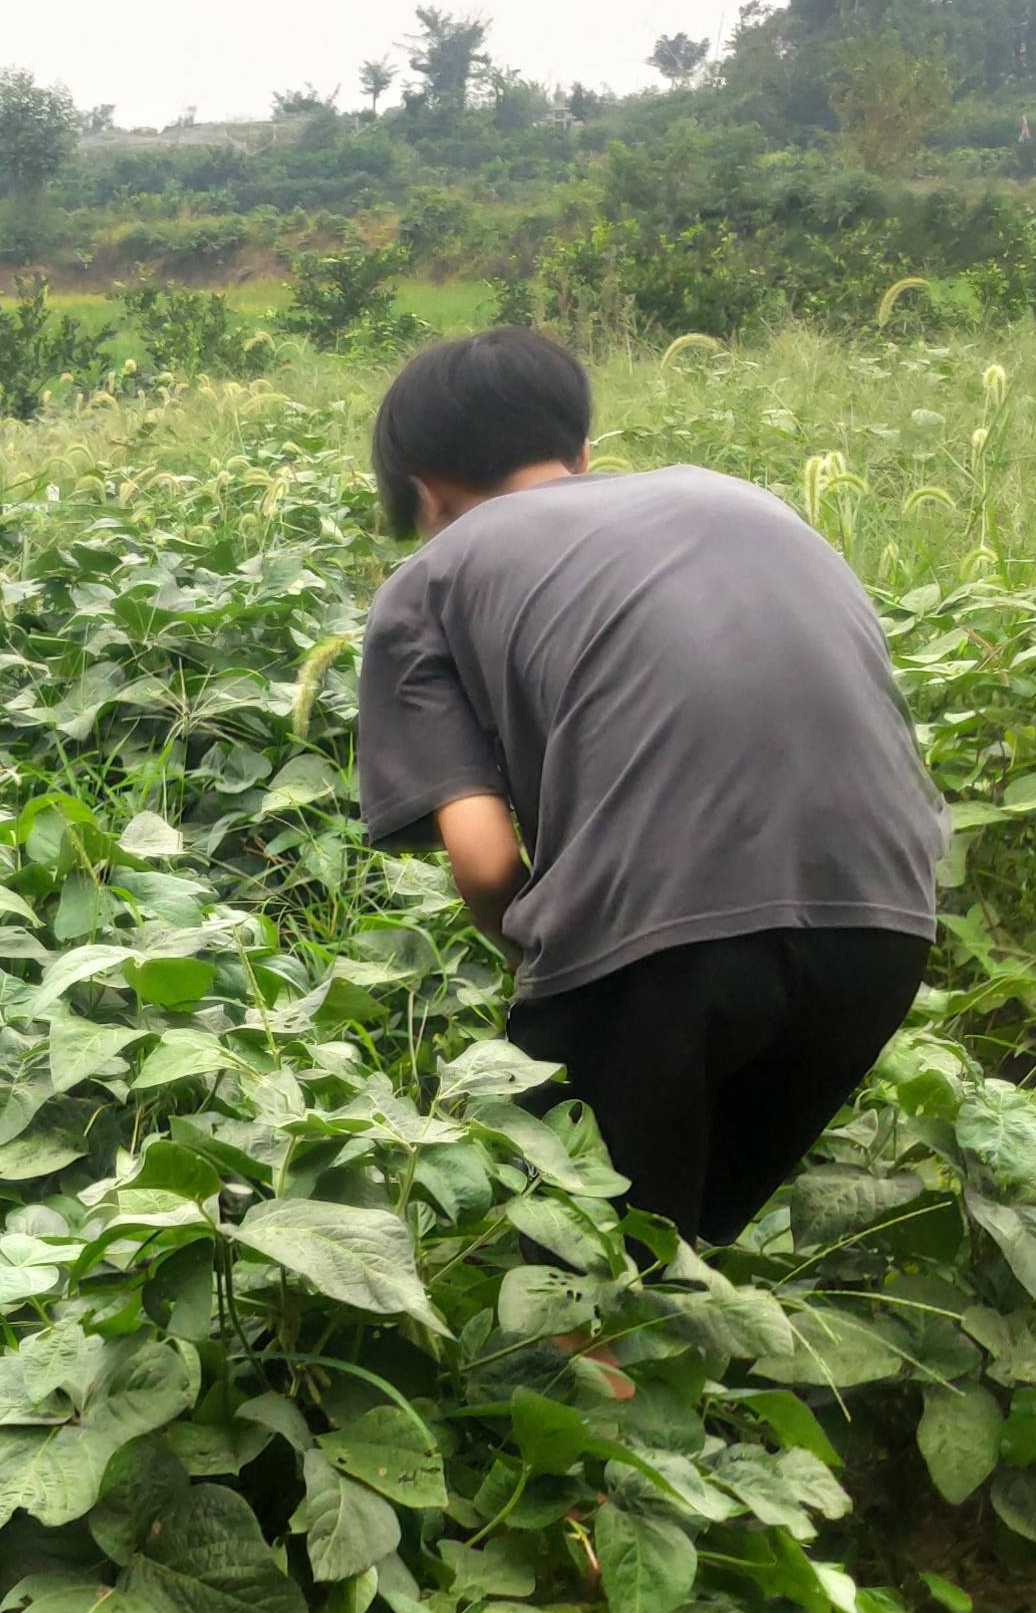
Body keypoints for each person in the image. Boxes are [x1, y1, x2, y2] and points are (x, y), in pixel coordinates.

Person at [353, 327, 946, 1248]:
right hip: (883, 930)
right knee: (689, 1246)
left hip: (656, 948)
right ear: (583, 452)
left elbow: (482, 861)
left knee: (589, 1273)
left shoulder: (429, 578)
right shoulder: (746, 500)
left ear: (426, 495)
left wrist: (550, 982)